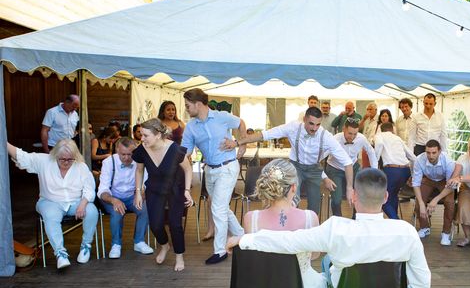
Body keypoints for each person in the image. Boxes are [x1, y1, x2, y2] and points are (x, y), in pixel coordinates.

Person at [226, 168, 431, 288]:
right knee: (390, 271)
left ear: (353, 197)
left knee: (328, 260)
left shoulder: (336, 229)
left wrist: (245, 240)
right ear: (386, 197)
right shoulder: (407, 232)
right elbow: (422, 284)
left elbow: (289, 241)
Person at [217, 159, 327, 288]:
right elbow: (315, 255)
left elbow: (257, 254)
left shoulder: (252, 218)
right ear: (293, 187)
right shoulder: (310, 217)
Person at [228, 107, 353, 216]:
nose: (314, 128)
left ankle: (310, 233)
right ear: (304, 119)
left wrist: (349, 188)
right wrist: (238, 143)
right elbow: (264, 135)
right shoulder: (293, 127)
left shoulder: (326, 137)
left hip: (314, 170)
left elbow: (347, 162)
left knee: (315, 206)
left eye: (318, 125)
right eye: (311, 124)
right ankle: (291, 229)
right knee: (292, 200)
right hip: (295, 167)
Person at [7, 139, 98, 269]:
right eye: (62, 159)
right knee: (50, 215)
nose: (66, 162)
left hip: (75, 202)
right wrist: (4, 142)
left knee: (92, 211)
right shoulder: (44, 161)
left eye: (70, 159)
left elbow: (89, 188)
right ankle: (60, 253)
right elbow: (22, 156)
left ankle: (86, 246)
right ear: (55, 155)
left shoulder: (80, 166)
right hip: (50, 201)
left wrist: (83, 204)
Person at [182, 88, 246, 265]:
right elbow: (185, 152)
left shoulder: (222, 116)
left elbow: (241, 123)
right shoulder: (190, 127)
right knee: (221, 207)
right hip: (209, 170)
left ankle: (220, 250)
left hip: (228, 167)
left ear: (198, 104)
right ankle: (241, 234)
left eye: (188, 105)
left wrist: (240, 143)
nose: (186, 109)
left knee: (217, 207)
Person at [133, 119, 193, 272]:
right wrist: (138, 192)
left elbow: (188, 169)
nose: (142, 139)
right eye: (141, 135)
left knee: (175, 223)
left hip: (175, 188)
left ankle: (179, 255)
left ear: (158, 135)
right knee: (155, 224)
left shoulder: (175, 150)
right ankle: (165, 246)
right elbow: (139, 171)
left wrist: (187, 190)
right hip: (154, 188)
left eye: (145, 135)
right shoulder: (142, 149)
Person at [97, 137, 154, 259]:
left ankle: (139, 242)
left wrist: (140, 195)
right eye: (123, 154)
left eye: (130, 154)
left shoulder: (141, 162)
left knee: (146, 209)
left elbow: (145, 184)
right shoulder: (108, 162)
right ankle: (116, 244)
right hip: (112, 196)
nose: (127, 158)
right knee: (117, 211)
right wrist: (113, 200)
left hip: (132, 196)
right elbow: (102, 190)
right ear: (117, 151)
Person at [325, 118, 376, 217]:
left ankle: (356, 220)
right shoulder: (335, 139)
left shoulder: (361, 138)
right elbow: (322, 155)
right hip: (335, 168)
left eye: (355, 134)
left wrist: (374, 170)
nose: (352, 137)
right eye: (350, 133)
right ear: (344, 129)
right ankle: (338, 221)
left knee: (360, 195)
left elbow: (371, 152)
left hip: (354, 167)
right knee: (336, 199)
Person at [412, 139, 457, 245]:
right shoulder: (419, 159)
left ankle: (446, 233)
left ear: (440, 151)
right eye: (428, 152)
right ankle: (425, 227)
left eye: (434, 153)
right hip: (428, 179)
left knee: (450, 202)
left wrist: (435, 200)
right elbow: (416, 183)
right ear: (425, 151)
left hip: (445, 182)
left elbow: (451, 186)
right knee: (419, 202)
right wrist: (422, 204)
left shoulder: (448, 161)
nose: (431, 156)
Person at [374, 122, 416, 219]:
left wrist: (375, 161)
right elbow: (412, 157)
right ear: (392, 130)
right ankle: (394, 222)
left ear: (381, 129)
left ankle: (397, 221)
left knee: (382, 199)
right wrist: (413, 174)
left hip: (391, 170)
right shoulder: (397, 138)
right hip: (405, 171)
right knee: (392, 195)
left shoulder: (379, 135)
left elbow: (379, 144)